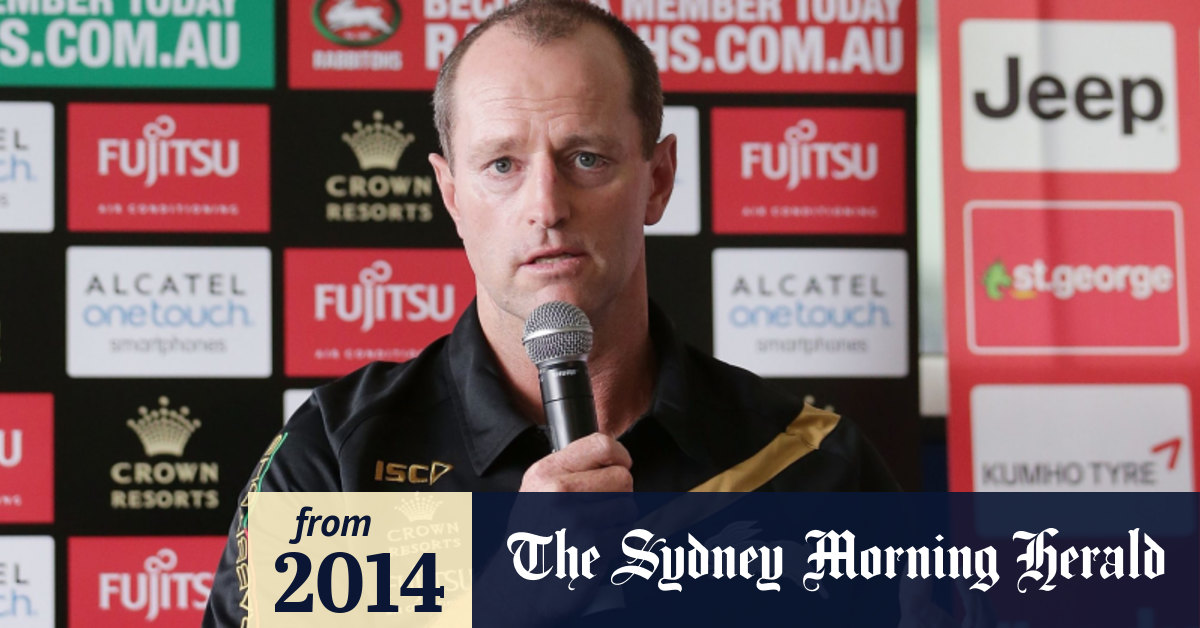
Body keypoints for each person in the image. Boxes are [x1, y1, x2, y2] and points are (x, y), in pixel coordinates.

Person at [202, 0, 897, 624]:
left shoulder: (807, 463)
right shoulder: (341, 457)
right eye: (502, 164)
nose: (546, 205)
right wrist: (499, 603)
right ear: (451, 194)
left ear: (657, 180)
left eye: (586, 158)